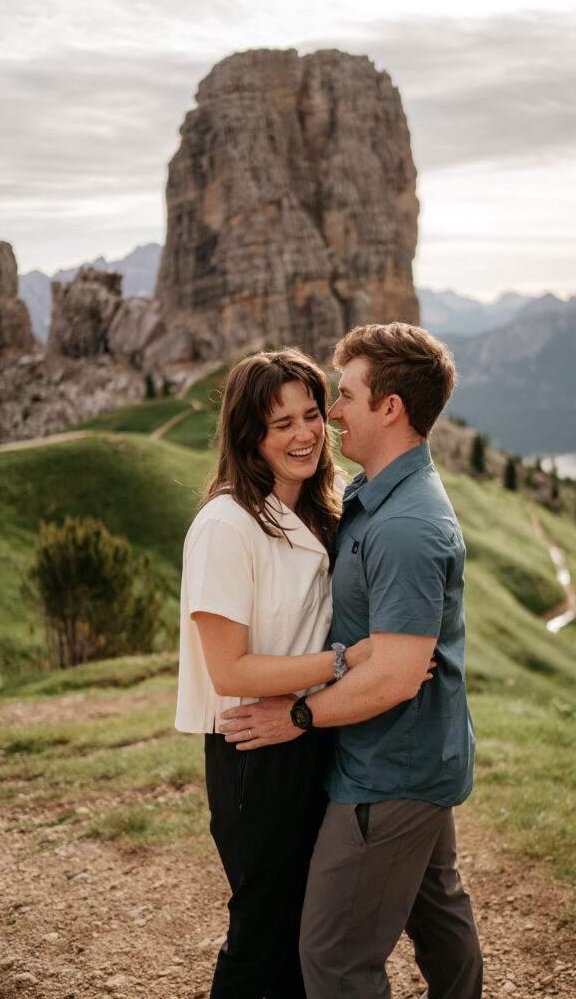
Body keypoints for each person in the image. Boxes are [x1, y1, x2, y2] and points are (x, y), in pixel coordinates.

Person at [221, 323, 484, 999]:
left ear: (390, 407)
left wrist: (298, 716)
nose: (333, 414)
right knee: (439, 913)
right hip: (418, 758)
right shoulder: (380, 495)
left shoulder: (404, 525)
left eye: (344, 397)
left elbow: (396, 675)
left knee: (334, 956)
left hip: (387, 772)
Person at [175, 348, 375, 999]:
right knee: (263, 935)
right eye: (280, 423)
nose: (304, 434)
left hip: (311, 734)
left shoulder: (323, 508)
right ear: (249, 436)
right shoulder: (225, 525)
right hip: (252, 751)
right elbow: (228, 667)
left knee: (306, 934)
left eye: (311, 414)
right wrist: (344, 662)